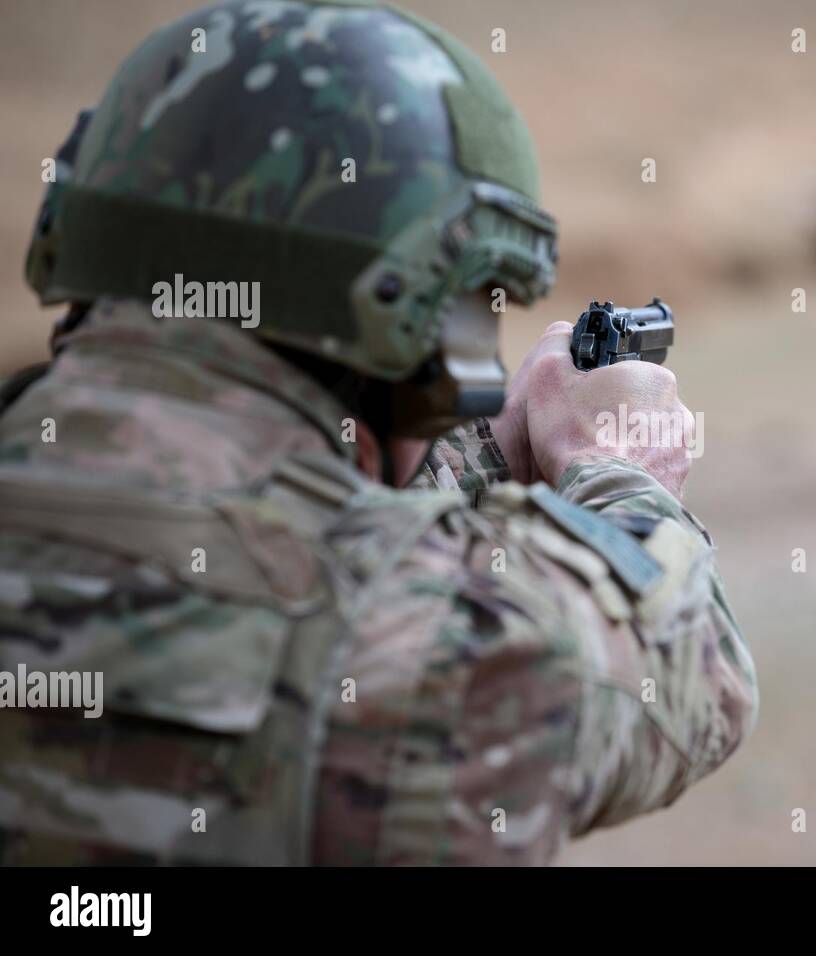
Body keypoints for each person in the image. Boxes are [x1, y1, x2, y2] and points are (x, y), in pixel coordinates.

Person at [0, 0, 756, 865]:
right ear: (397, 322)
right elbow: (691, 669)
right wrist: (617, 464)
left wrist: (483, 455)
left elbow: (271, 499)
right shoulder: (446, 648)